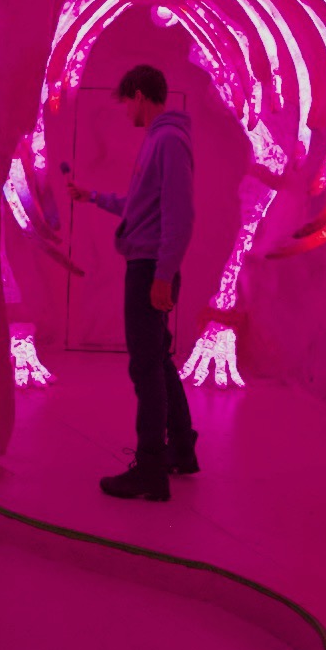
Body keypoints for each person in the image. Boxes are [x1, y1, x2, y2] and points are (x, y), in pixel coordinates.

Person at [68, 64, 198, 501]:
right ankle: (181, 449)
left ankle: (150, 470)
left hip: (149, 268)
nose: (125, 111)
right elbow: (141, 207)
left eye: (125, 101)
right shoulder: (160, 140)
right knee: (158, 362)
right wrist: (93, 197)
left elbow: (180, 217)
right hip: (148, 263)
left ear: (139, 95)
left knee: (145, 368)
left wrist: (163, 275)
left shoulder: (169, 141)